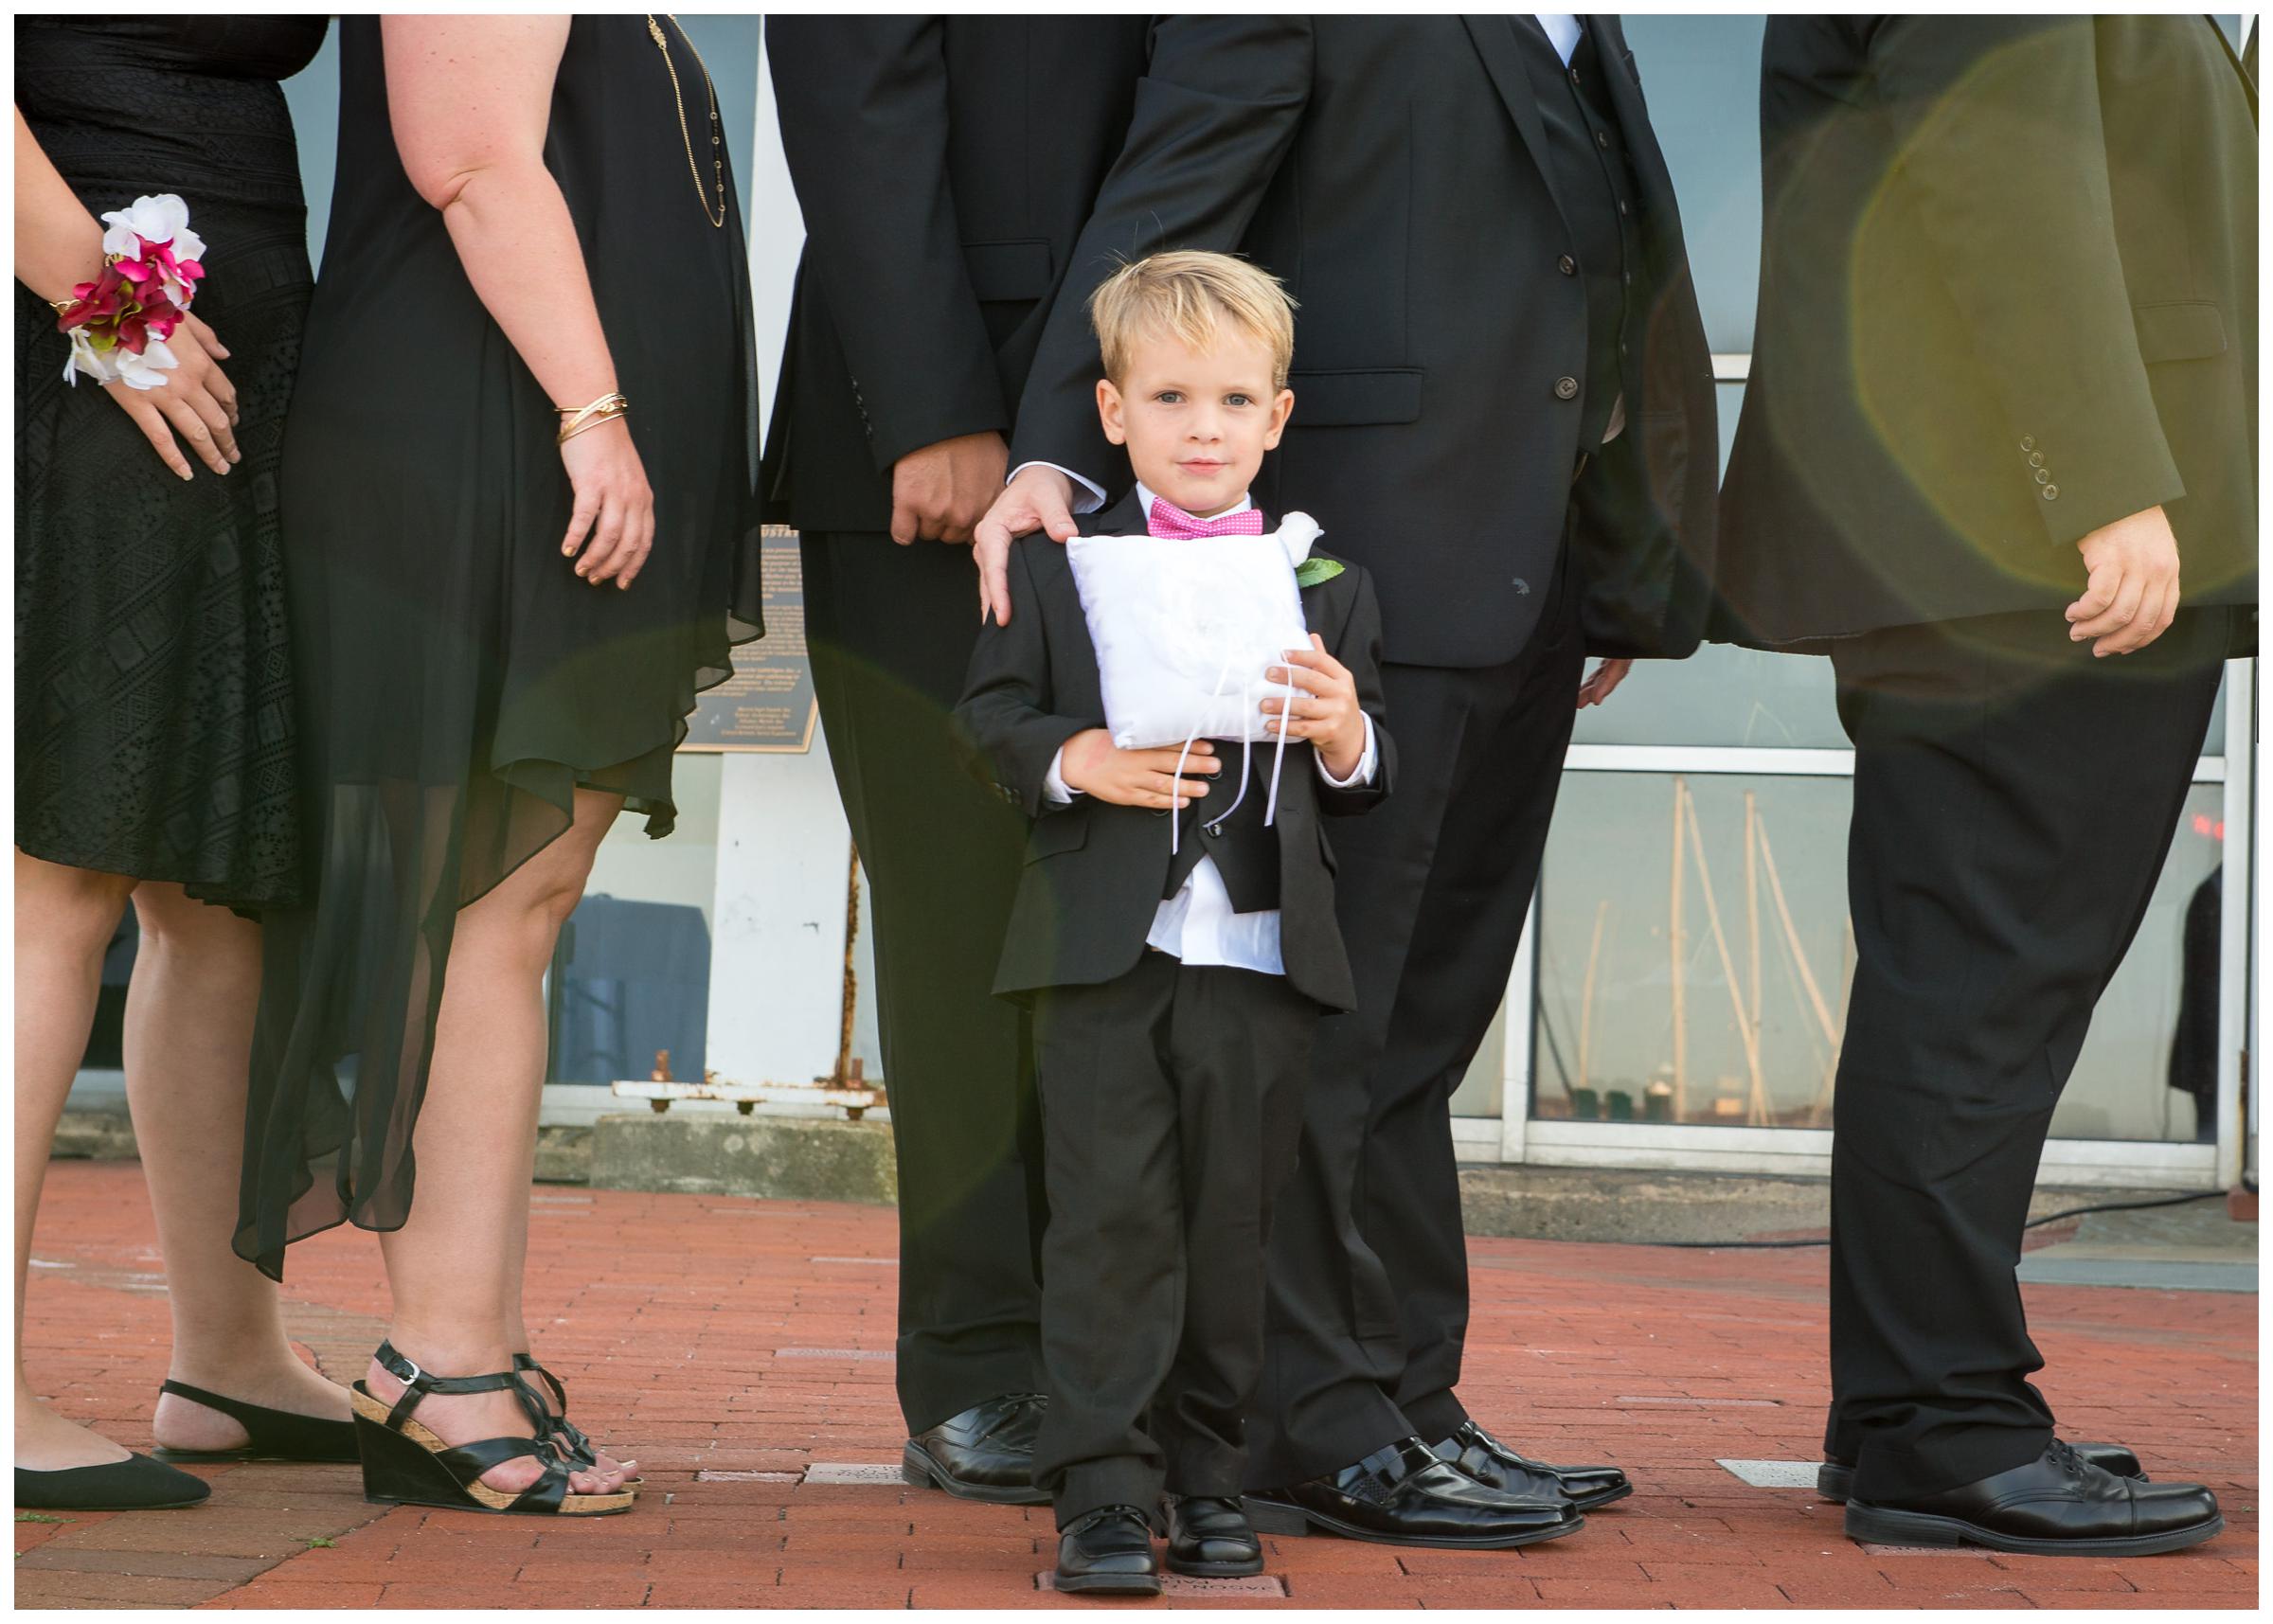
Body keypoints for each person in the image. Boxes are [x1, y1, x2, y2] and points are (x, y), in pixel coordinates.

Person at [975, 16, 1717, 1546]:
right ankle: (1313, 1424)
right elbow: (1165, 207)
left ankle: (1406, 1394)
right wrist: (1059, 451)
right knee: (1332, 1023)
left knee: (1426, 1026)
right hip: (1355, 561)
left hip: (1529, 578)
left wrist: (1624, 563)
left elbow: (1604, 280)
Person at [1717, 14, 2252, 1555]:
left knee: (1968, 972)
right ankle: (1941, 1425)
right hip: (2014, 543)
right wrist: (2099, 481)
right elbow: (1997, 170)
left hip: (1990, 542)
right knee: (1981, 975)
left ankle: (1906, 1407)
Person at [238, 14, 762, 1517]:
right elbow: (470, 158)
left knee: (516, 901)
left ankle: (472, 1342)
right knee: (487, 898)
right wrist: (596, 415)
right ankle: (440, 1357)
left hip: (529, 424)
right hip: (488, 427)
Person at [965, 251, 1499, 1596]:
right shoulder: (1057, 570)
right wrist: (1079, 760)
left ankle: (1209, 1480)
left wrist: (1341, 729)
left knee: (1229, 1228)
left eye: (1232, 399)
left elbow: (1371, 780)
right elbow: (987, 723)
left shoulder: (1328, 585)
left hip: (1259, 959)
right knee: (1104, 1223)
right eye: (1171, 397)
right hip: (1102, 955)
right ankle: (1099, 1489)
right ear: (1112, 413)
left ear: (1277, 416)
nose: (1202, 426)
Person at [761, 16, 1150, 1503]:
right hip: (945, 435)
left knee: (1128, 940)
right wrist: (936, 405)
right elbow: (855, 87)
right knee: (963, 929)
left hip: (1171, 448)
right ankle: (980, 1364)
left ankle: (1116, 1358)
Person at [13, 16, 355, 1512]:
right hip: (84, 337)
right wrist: (108, 311)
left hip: (239, 352)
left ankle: (229, 1354)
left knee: (212, 885)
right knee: (54, 875)